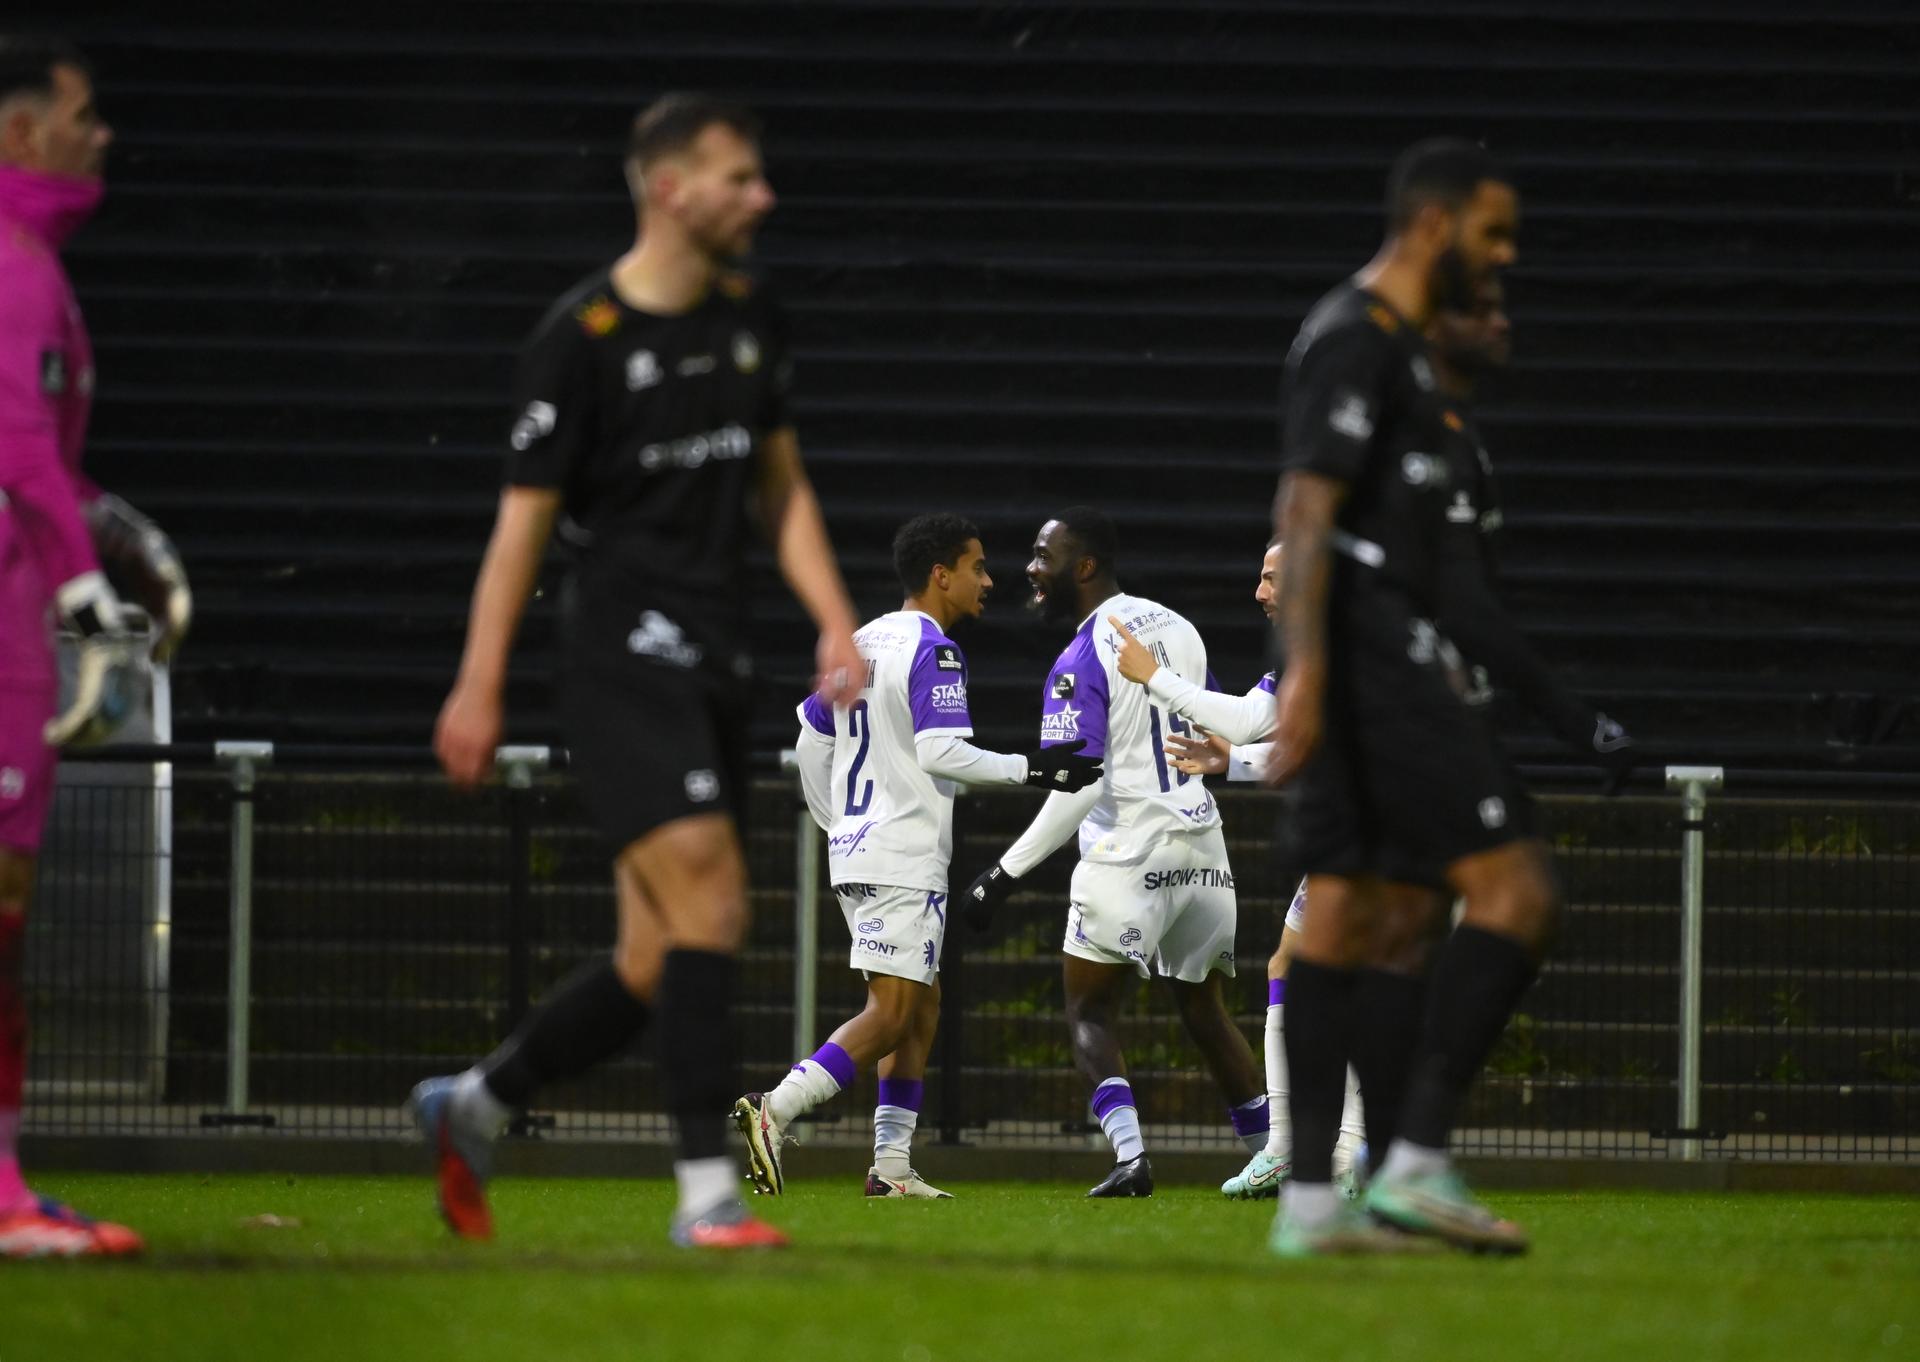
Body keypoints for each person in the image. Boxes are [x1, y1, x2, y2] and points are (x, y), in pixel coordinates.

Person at [412, 93, 863, 1251]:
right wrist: (479, 681)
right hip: (621, 655)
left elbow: (784, 487)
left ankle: (477, 1104)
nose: (761, 198)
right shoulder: (581, 338)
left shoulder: (752, 320)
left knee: (658, 958)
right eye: (738, 178)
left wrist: (831, 618)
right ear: (669, 187)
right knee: (714, 895)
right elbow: (519, 530)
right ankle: (707, 1200)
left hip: (718, 656)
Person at [1265, 139, 1632, 1257]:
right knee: (1515, 890)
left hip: (1387, 652)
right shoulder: (1354, 340)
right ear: (1435, 227)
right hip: (1377, 660)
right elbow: (1304, 513)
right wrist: (1311, 678)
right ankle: (1413, 1164)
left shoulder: (1406, 365)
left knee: (1362, 916)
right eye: (1494, 235)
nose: (1505, 258)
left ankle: (1319, 1208)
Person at [734, 514, 1102, 1200]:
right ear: (942, 575)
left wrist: (838, 820)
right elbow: (942, 754)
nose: (987, 582)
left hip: (864, 848)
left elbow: (811, 733)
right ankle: (776, 1108)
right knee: (894, 1011)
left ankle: (892, 1166)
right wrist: (1037, 770)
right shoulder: (936, 650)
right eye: (977, 567)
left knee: (922, 1005)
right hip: (901, 852)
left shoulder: (863, 640)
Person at [0, 35, 190, 1260]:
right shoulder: (12, 267)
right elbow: (12, 434)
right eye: (83, 113)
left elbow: (40, 457)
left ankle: (7, 1182)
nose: (101, 133)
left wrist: (109, 529)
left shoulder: (32, 268)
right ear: (21, 132)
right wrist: (79, 581)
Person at [961, 508, 1268, 1197]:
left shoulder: (1081, 655)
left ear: (1086, 565)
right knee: (1205, 1011)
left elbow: (1079, 782)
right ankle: (1270, 1152)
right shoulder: (1179, 627)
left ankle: (1131, 1157)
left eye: (1045, 556)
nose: (1032, 570)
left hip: (1128, 854)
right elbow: (1219, 717)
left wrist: (1003, 874)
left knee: (1090, 1013)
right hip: (1204, 851)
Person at [1109, 543, 1368, 1203]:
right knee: (1321, 973)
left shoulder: (1323, 642)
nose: (1259, 591)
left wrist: (1154, 679)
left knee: (1320, 975)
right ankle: (1327, 1149)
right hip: (1381, 825)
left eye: (1273, 577)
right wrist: (1235, 764)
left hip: (1374, 831)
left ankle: (1315, 1149)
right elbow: (1297, 740)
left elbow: (1256, 718)